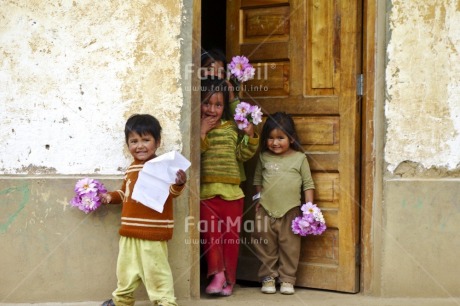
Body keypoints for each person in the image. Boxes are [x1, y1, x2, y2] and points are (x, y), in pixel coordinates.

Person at [100, 114, 187, 306]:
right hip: (129, 231)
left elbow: (171, 192)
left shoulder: (162, 166)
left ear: (157, 142)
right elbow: (125, 193)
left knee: (157, 272)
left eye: (146, 140)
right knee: (125, 270)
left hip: (153, 232)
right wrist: (109, 197)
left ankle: (165, 302)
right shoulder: (131, 169)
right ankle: (122, 300)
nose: (140, 146)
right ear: (127, 144)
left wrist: (179, 183)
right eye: (134, 141)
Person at [200, 76, 259, 296]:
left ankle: (229, 280)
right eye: (207, 103)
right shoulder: (197, 128)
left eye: (218, 104)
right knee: (211, 237)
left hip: (233, 194)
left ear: (225, 106)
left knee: (230, 238)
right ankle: (217, 275)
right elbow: (196, 154)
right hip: (207, 193)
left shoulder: (232, 128)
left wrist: (250, 136)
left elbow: (242, 155)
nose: (212, 109)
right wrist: (202, 131)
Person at [251, 112, 315, 295]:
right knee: (264, 245)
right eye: (270, 138)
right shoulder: (264, 157)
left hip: (292, 212)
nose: (275, 142)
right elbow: (257, 181)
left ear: (292, 138)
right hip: (265, 210)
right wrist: (258, 200)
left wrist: (310, 210)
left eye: (280, 138)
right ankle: (268, 277)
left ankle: (287, 279)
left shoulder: (299, 159)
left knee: (290, 247)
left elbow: (308, 184)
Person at [200, 48, 246, 182]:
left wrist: (231, 96)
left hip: (230, 176)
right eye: (209, 69)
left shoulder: (228, 102)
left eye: (220, 72)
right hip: (206, 178)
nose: (215, 74)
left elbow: (242, 126)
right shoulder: (195, 98)